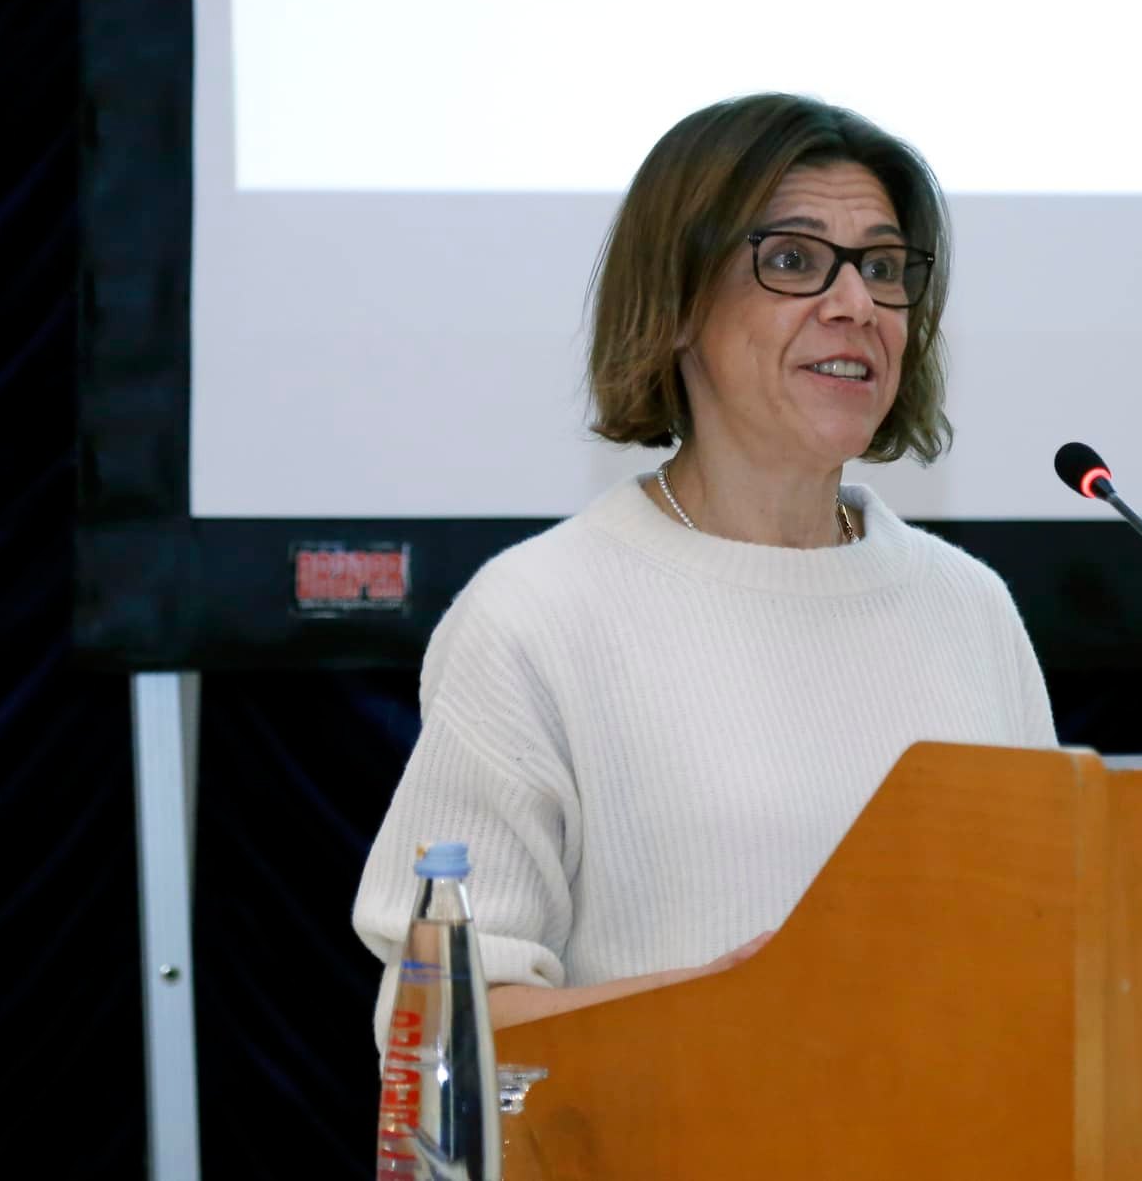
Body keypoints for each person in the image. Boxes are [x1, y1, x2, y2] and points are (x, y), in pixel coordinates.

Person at [351, 93, 1058, 1043]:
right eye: (793, 260)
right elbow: (441, 1026)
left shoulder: (967, 607)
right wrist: (714, 1014)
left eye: (884, 269)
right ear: (678, 304)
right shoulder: (538, 614)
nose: (856, 304)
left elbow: (1054, 954)